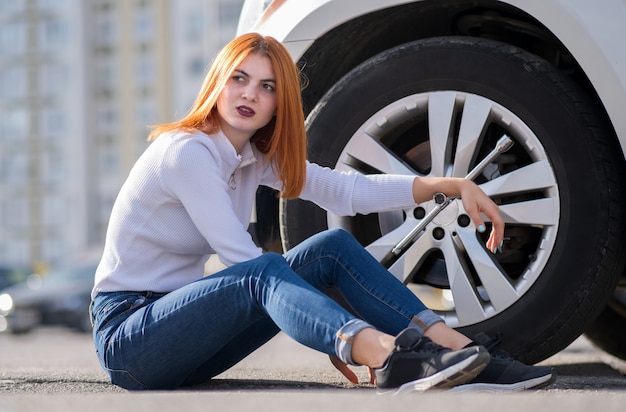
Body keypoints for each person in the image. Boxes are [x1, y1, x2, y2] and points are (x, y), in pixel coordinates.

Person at [90, 33, 552, 393]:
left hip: (185, 334)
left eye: (266, 86)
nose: (249, 93)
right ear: (216, 83)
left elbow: (345, 190)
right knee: (262, 269)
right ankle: (387, 357)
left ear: (278, 104)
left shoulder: (253, 157)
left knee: (330, 248)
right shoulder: (186, 152)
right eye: (239, 78)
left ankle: (464, 354)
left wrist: (443, 185)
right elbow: (241, 261)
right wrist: (336, 328)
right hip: (130, 337)